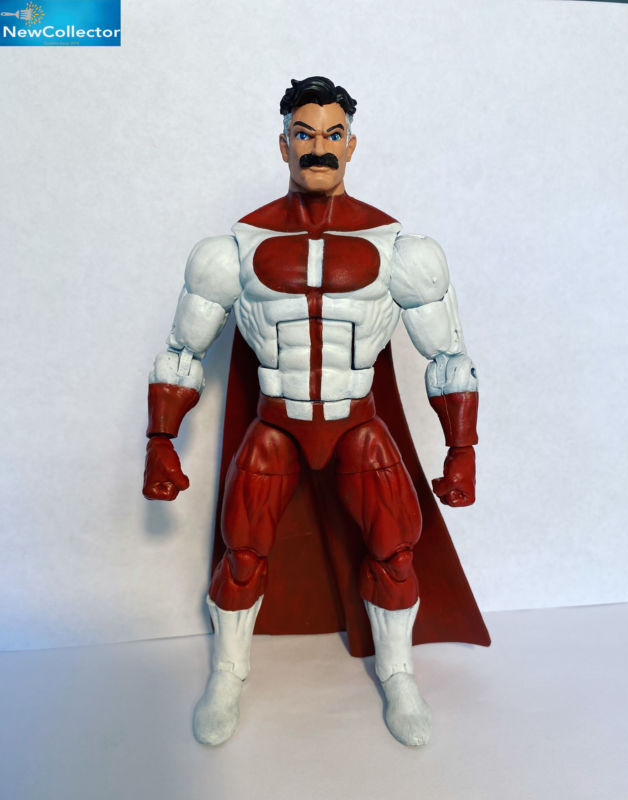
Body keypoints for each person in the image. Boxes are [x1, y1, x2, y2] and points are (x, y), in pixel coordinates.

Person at [143, 76, 481, 747]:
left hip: (358, 425)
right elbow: (183, 351)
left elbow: (448, 355)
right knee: (242, 552)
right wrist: (160, 441)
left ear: (351, 145)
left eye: (332, 135)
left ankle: (398, 673)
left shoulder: (400, 250)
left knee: (396, 550)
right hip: (276, 424)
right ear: (283, 145)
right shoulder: (233, 250)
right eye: (304, 134)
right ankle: (228, 673)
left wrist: (461, 450)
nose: (318, 148)